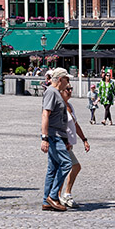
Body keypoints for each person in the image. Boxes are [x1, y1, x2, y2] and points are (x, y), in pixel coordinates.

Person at [41, 67, 73, 211]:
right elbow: (45, 114)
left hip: (59, 136)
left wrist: (66, 139)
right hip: (54, 136)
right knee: (66, 163)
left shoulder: (56, 93)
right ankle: (53, 196)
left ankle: (46, 200)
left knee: (52, 168)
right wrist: (45, 137)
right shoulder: (51, 92)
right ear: (60, 79)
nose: (69, 82)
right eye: (67, 79)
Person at [58, 81, 90, 208]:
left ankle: (64, 193)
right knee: (69, 167)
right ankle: (60, 195)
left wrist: (84, 139)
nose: (70, 91)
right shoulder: (60, 106)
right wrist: (64, 141)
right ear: (61, 91)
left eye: (71, 89)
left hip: (68, 143)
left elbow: (75, 125)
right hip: (61, 143)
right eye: (67, 89)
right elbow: (59, 125)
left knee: (69, 167)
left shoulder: (70, 105)